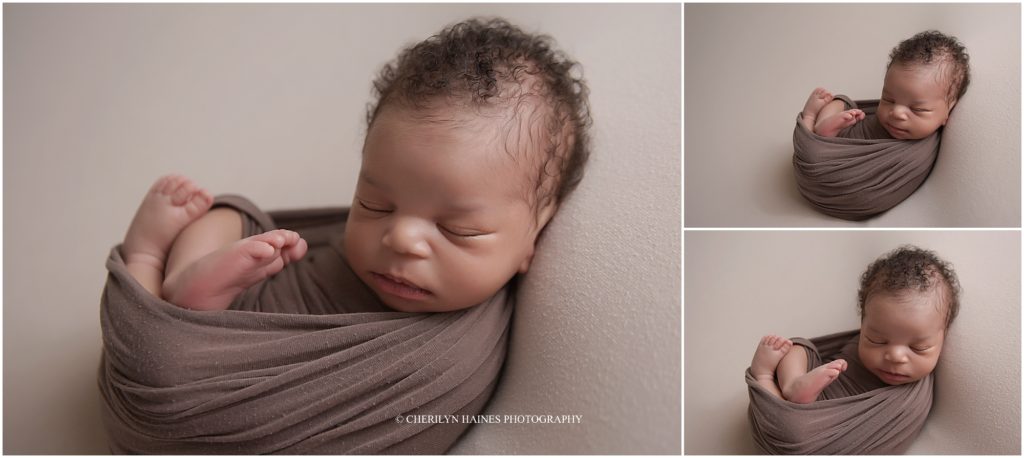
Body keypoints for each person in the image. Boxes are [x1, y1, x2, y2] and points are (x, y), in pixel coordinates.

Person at [120, 17, 592, 313]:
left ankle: (148, 265)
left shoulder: (452, 354)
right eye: (374, 204)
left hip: (228, 357)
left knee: (161, 340)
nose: (400, 238)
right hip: (255, 290)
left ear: (533, 237)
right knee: (230, 215)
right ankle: (171, 273)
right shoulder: (338, 254)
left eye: (458, 229)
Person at [749, 245, 961, 403]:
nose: (895, 356)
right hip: (809, 385)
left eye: (918, 347)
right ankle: (791, 385)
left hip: (825, 420)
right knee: (799, 348)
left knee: (793, 426)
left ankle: (764, 376)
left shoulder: (908, 401)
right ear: (863, 324)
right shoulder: (853, 346)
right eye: (876, 340)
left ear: (943, 335)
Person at [800, 30, 970, 139]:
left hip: (837, 151)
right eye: (888, 99)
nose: (896, 113)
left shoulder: (918, 153)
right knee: (840, 102)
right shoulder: (879, 120)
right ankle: (813, 120)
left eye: (917, 109)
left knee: (816, 145)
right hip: (847, 130)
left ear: (948, 111)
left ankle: (813, 123)